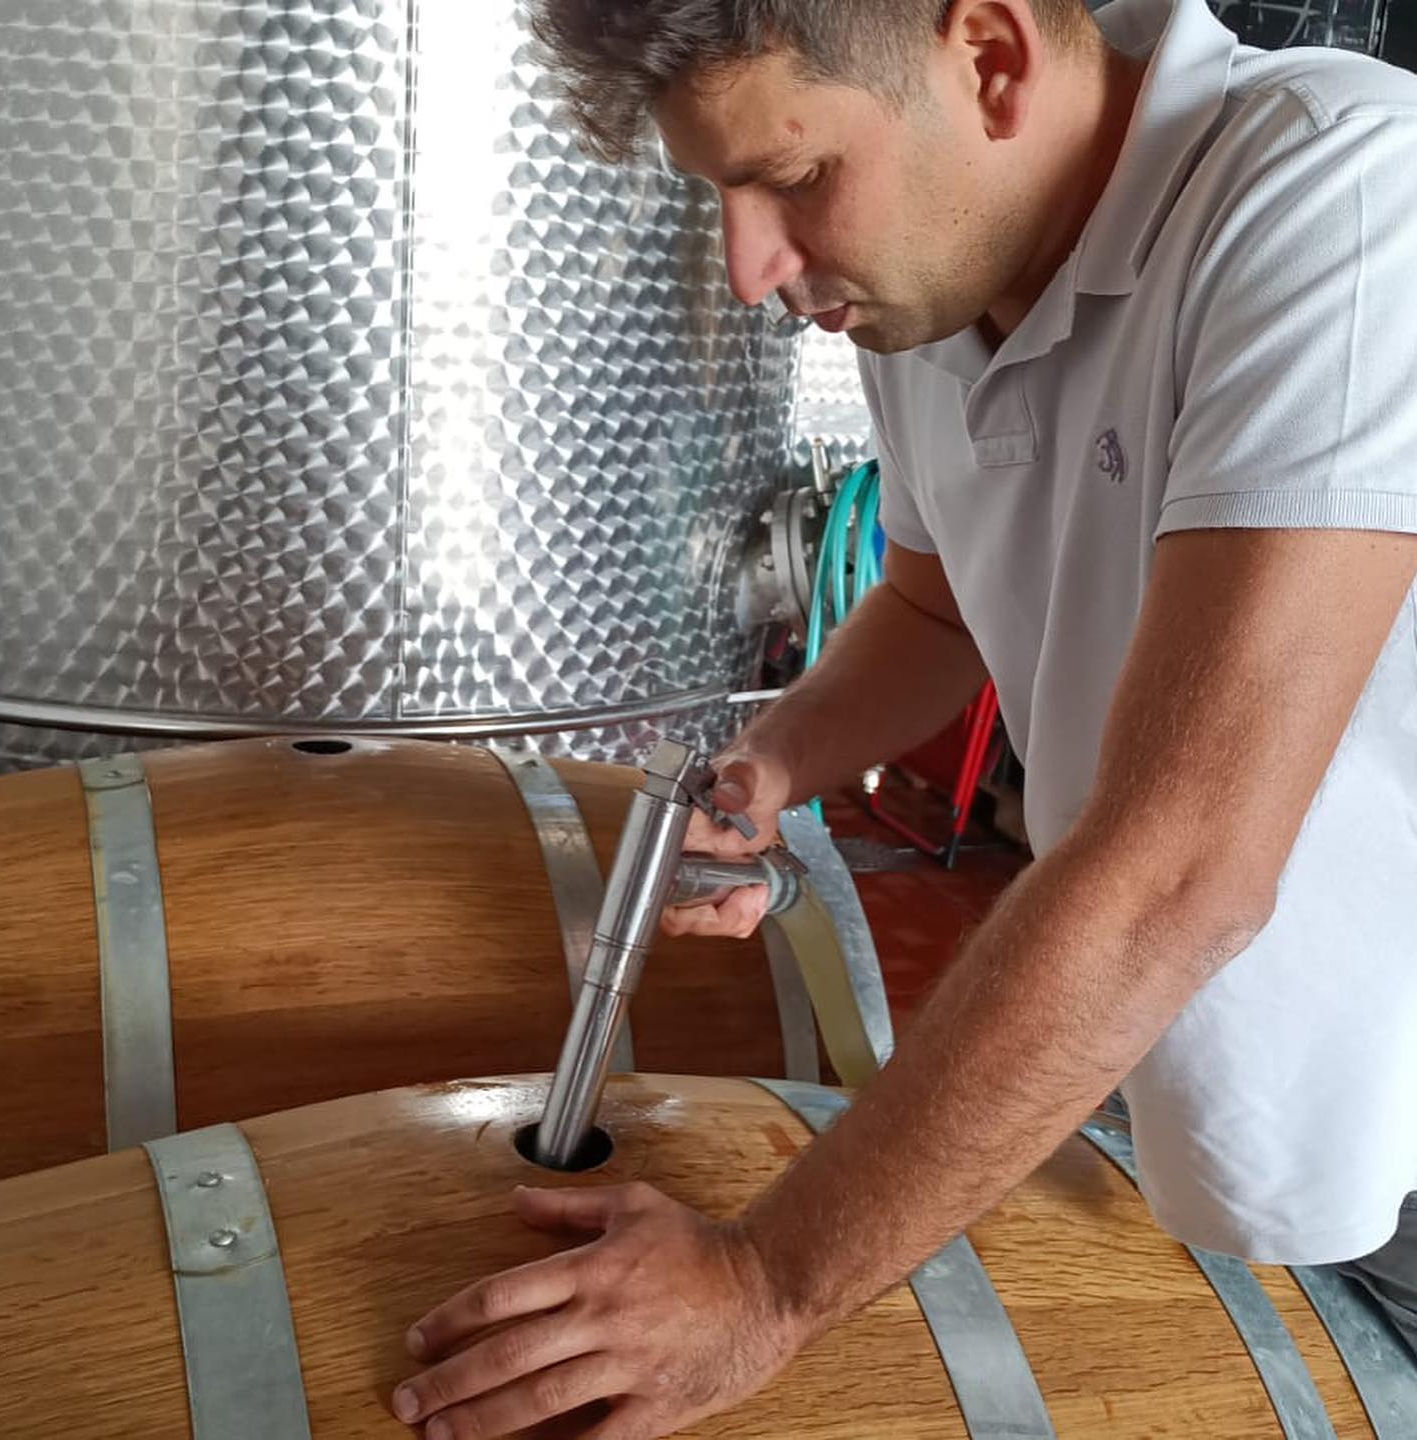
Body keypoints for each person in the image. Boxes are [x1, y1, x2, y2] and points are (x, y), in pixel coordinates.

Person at [391, 0, 1417, 1433]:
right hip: (1156, 1065)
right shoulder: (929, 286)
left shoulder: (1335, 197)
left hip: (1389, 1105)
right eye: (723, 197)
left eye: (796, 178)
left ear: (989, 60)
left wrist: (766, 1282)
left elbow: (1183, 872)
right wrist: (778, 761)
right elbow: (939, 608)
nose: (752, 269)